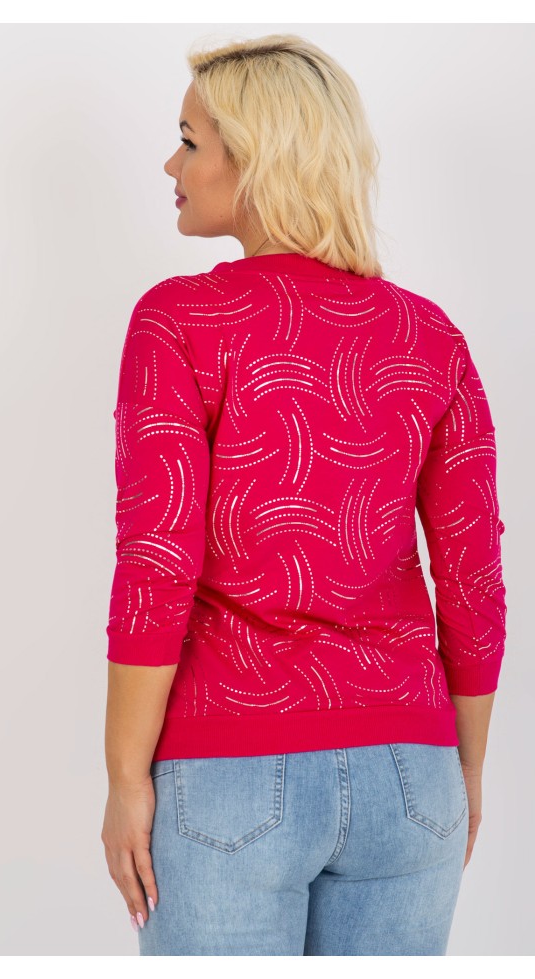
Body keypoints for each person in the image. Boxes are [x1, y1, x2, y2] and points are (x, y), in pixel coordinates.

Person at [100, 33, 507, 956]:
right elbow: (473, 577)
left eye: (190, 141)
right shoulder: (431, 337)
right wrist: (464, 767)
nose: (170, 164)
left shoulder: (180, 321)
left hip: (228, 774)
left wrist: (125, 778)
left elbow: (158, 563)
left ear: (256, 157)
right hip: (413, 778)